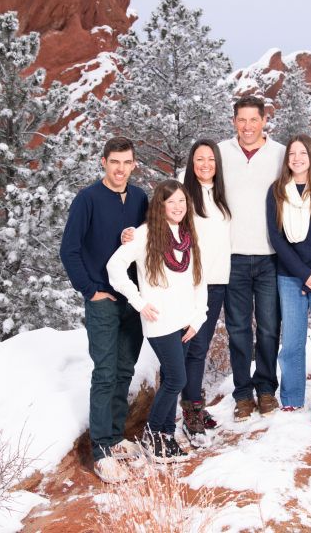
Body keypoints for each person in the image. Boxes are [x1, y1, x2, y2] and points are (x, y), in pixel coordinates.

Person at [59, 136, 148, 483]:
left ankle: (117, 437)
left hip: (134, 298)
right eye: (115, 162)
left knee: (125, 369)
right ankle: (101, 451)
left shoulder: (140, 198)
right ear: (103, 162)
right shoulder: (87, 199)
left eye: (127, 163)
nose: (121, 169)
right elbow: (70, 250)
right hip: (103, 300)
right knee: (105, 371)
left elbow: (152, 237)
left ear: (134, 164)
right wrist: (91, 290)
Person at [107, 180, 208, 463]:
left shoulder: (188, 234)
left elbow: (198, 279)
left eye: (181, 202)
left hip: (185, 320)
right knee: (177, 378)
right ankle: (152, 435)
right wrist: (139, 302)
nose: (177, 207)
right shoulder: (145, 235)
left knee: (170, 376)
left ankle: (165, 434)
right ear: (160, 206)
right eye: (171, 202)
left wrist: (198, 317)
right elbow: (114, 268)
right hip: (160, 320)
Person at [217, 95, 286, 420]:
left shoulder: (280, 154)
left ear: (263, 121)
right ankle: (243, 393)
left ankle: (267, 389)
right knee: (239, 329)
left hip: (270, 257)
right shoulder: (220, 152)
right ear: (234, 122)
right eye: (241, 120)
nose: (247, 126)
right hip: (233, 257)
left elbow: (306, 183)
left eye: (253, 120)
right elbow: (190, 190)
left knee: (270, 328)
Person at [266, 134, 311, 425]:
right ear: (287, 160)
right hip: (290, 275)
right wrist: (302, 273)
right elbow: (276, 237)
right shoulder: (276, 192)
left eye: (303, 153)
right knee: (293, 342)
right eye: (292, 154)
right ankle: (292, 398)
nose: (297, 159)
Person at [180, 140, 231, 445]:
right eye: (199, 159)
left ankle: (195, 404)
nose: (205, 164)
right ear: (192, 163)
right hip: (192, 283)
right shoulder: (184, 195)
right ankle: (189, 410)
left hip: (218, 281)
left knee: (201, 346)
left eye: (210, 159)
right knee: (191, 346)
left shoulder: (222, 196)